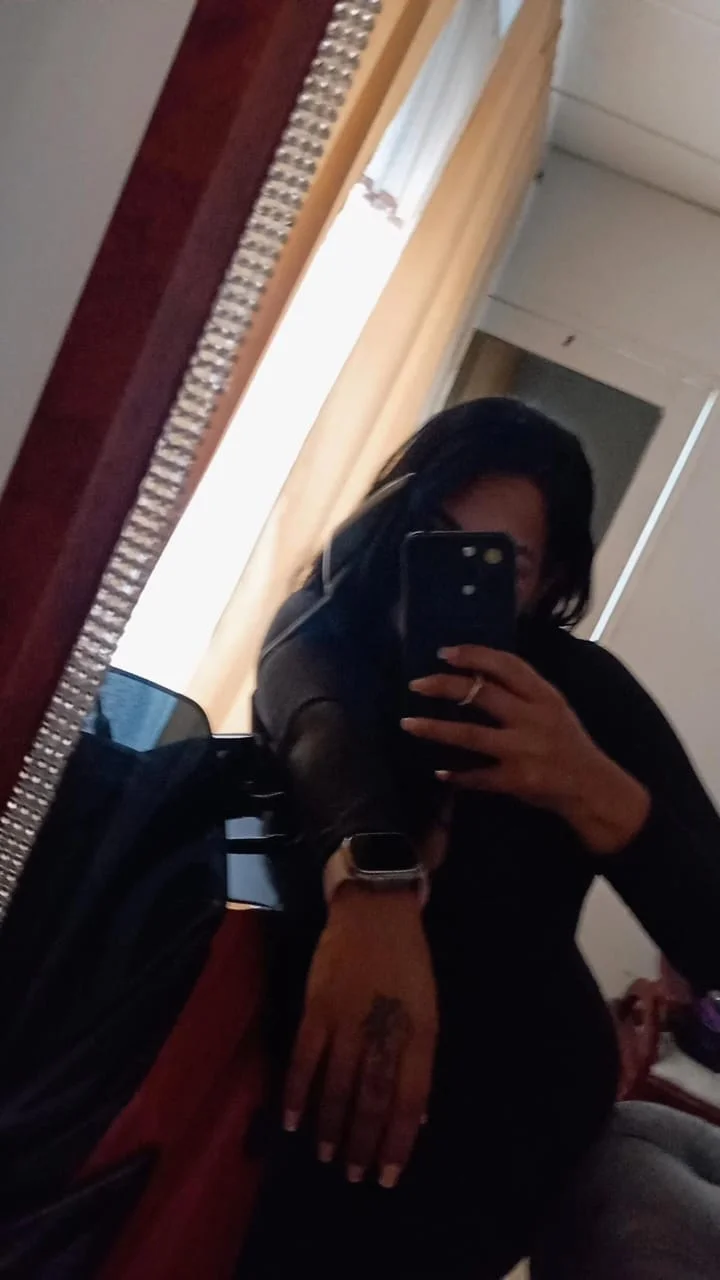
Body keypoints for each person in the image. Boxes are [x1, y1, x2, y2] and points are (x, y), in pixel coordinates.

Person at [241, 398, 720, 1278]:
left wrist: (589, 785)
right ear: (394, 521)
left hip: (509, 1135)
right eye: (436, 535)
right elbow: (314, 728)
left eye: (506, 561)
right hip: (311, 1122)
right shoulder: (325, 633)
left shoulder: (576, 692)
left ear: (546, 582)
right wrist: (377, 888)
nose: (455, 575)